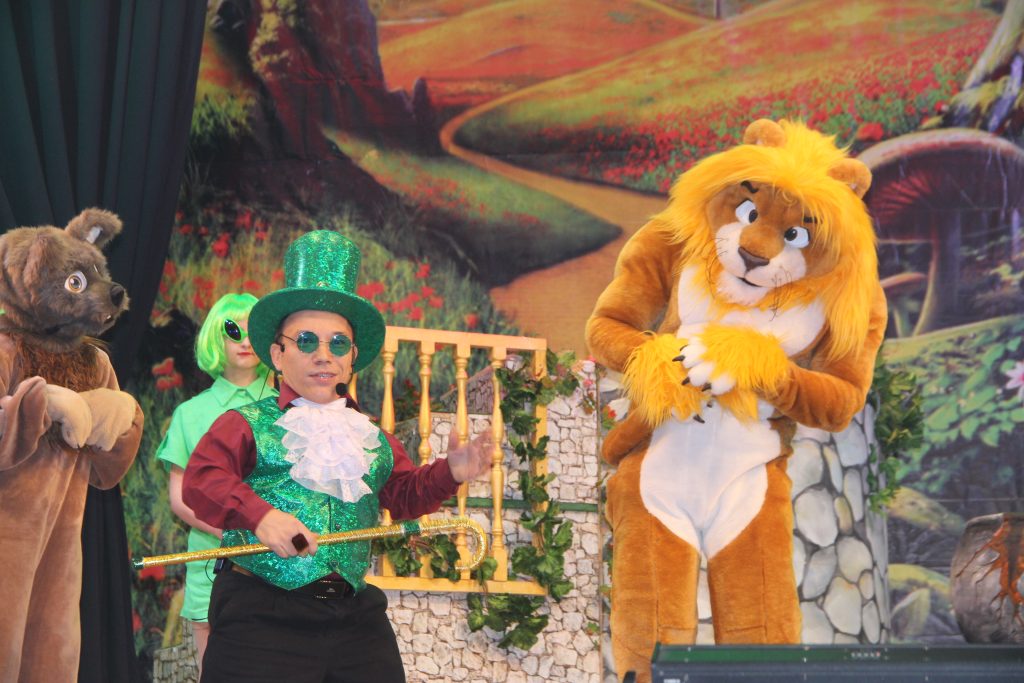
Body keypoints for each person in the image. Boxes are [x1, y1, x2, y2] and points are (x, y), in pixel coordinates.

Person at [182, 231, 493, 682]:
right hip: (261, 615)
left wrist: (453, 472)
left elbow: (404, 495)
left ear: (352, 357)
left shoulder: (372, 436)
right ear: (278, 354)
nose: (323, 356)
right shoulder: (244, 423)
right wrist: (261, 517)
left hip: (354, 620)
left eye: (338, 344)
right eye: (306, 341)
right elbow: (201, 479)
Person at [155, 293, 275, 674]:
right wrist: (235, 533)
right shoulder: (190, 414)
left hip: (276, 565)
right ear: (215, 338)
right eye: (232, 330)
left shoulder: (289, 410)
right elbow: (180, 497)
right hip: (211, 561)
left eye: (253, 330)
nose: (244, 340)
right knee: (216, 671)